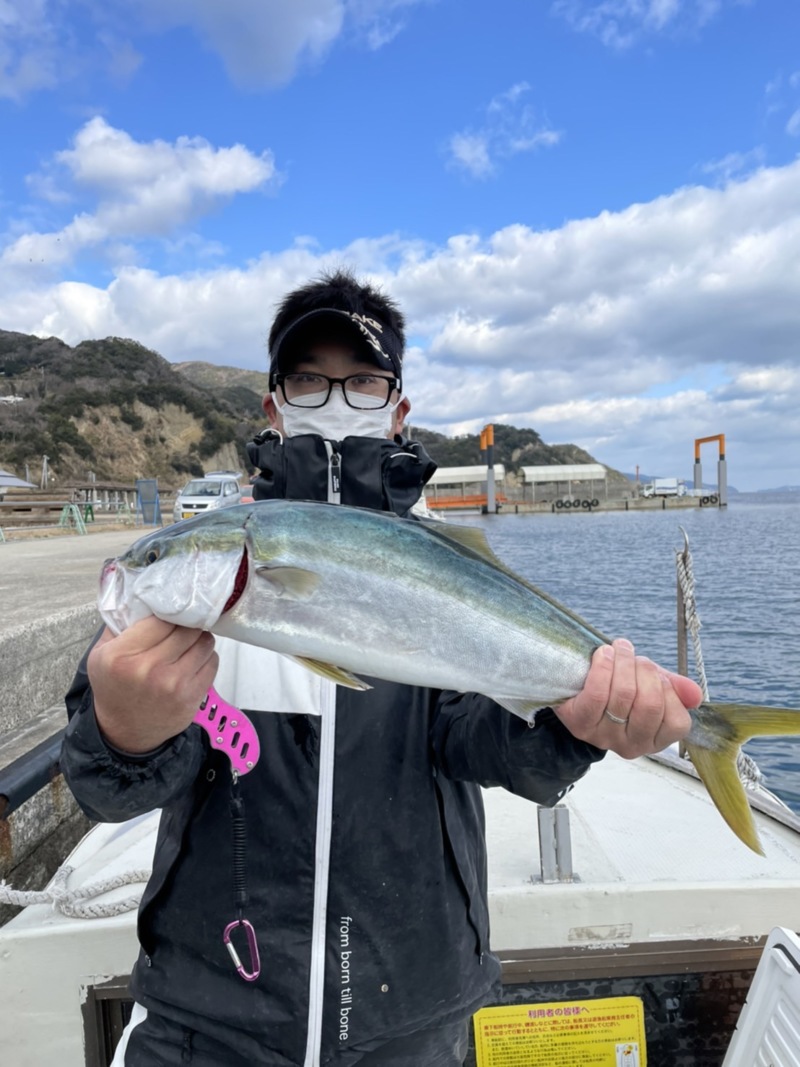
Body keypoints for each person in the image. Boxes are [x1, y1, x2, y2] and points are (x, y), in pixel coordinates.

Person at [61, 270, 700, 1067]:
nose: (336, 398)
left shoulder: (436, 557)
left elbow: (485, 745)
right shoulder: (186, 607)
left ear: (398, 409)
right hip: (207, 1018)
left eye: (363, 380)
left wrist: (573, 725)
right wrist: (125, 732)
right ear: (273, 405)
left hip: (411, 1017)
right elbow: (103, 790)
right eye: (308, 379)